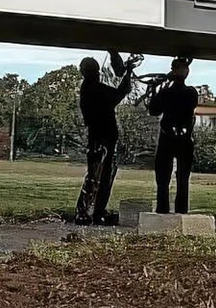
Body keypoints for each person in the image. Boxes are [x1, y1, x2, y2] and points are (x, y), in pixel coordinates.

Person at [74, 51, 134, 225]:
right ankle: (88, 212)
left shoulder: (89, 88)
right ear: (94, 72)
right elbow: (121, 92)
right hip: (102, 138)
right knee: (98, 175)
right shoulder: (93, 89)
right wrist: (128, 72)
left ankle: (93, 211)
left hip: (99, 137)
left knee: (100, 175)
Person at [148, 56, 199, 214]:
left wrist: (156, 89)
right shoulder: (190, 92)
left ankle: (163, 209)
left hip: (169, 137)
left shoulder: (168, 92)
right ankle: (180, 210)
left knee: (164, 178)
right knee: (182, 178)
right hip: (182, 138)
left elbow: (153, 110)